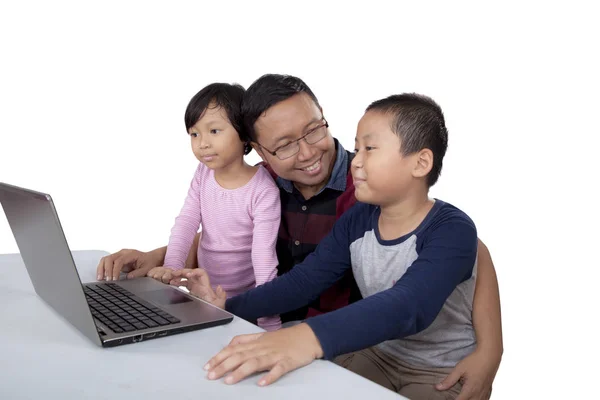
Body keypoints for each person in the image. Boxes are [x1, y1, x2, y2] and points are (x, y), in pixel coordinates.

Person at [96, 75, 502, 398]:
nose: (308, 153)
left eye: (314, 131)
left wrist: (491, 348)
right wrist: (218, 300)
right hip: (344, 347)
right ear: (258, 151)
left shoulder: (372, 198)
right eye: (285, 145)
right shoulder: (283, 191)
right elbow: (299, 277)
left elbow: (440, 276)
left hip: (383, 349)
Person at [97, 83, 281, 331]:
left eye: (214, 131)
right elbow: (186, 221)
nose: (202, 143)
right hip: (200, 296)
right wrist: (171, 268)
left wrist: (269, 325)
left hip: (241, 305)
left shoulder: (263, 190)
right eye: (194, 134)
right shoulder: (204, 173)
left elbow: (264, 259)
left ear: (244, 133)